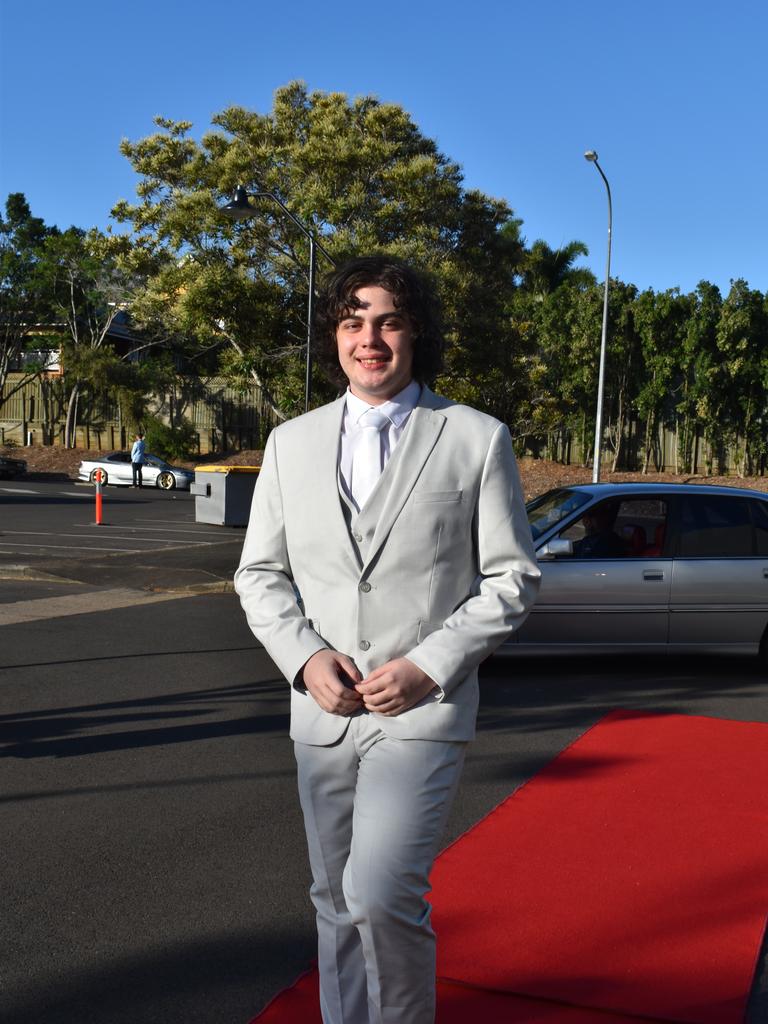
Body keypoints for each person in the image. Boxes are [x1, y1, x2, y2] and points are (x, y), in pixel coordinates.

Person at [234, 256, 540, 1024]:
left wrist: (430, 667)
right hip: (323, 716)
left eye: (387, 320)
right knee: (333, 898)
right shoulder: (289, 444)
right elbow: (259, 575)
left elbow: (512, 578)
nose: (368, 338)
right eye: (352, 322)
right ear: (335, 337)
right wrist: (305, 659)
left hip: (420, 714)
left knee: (381, 894)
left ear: (415, 333)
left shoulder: (474, 438)